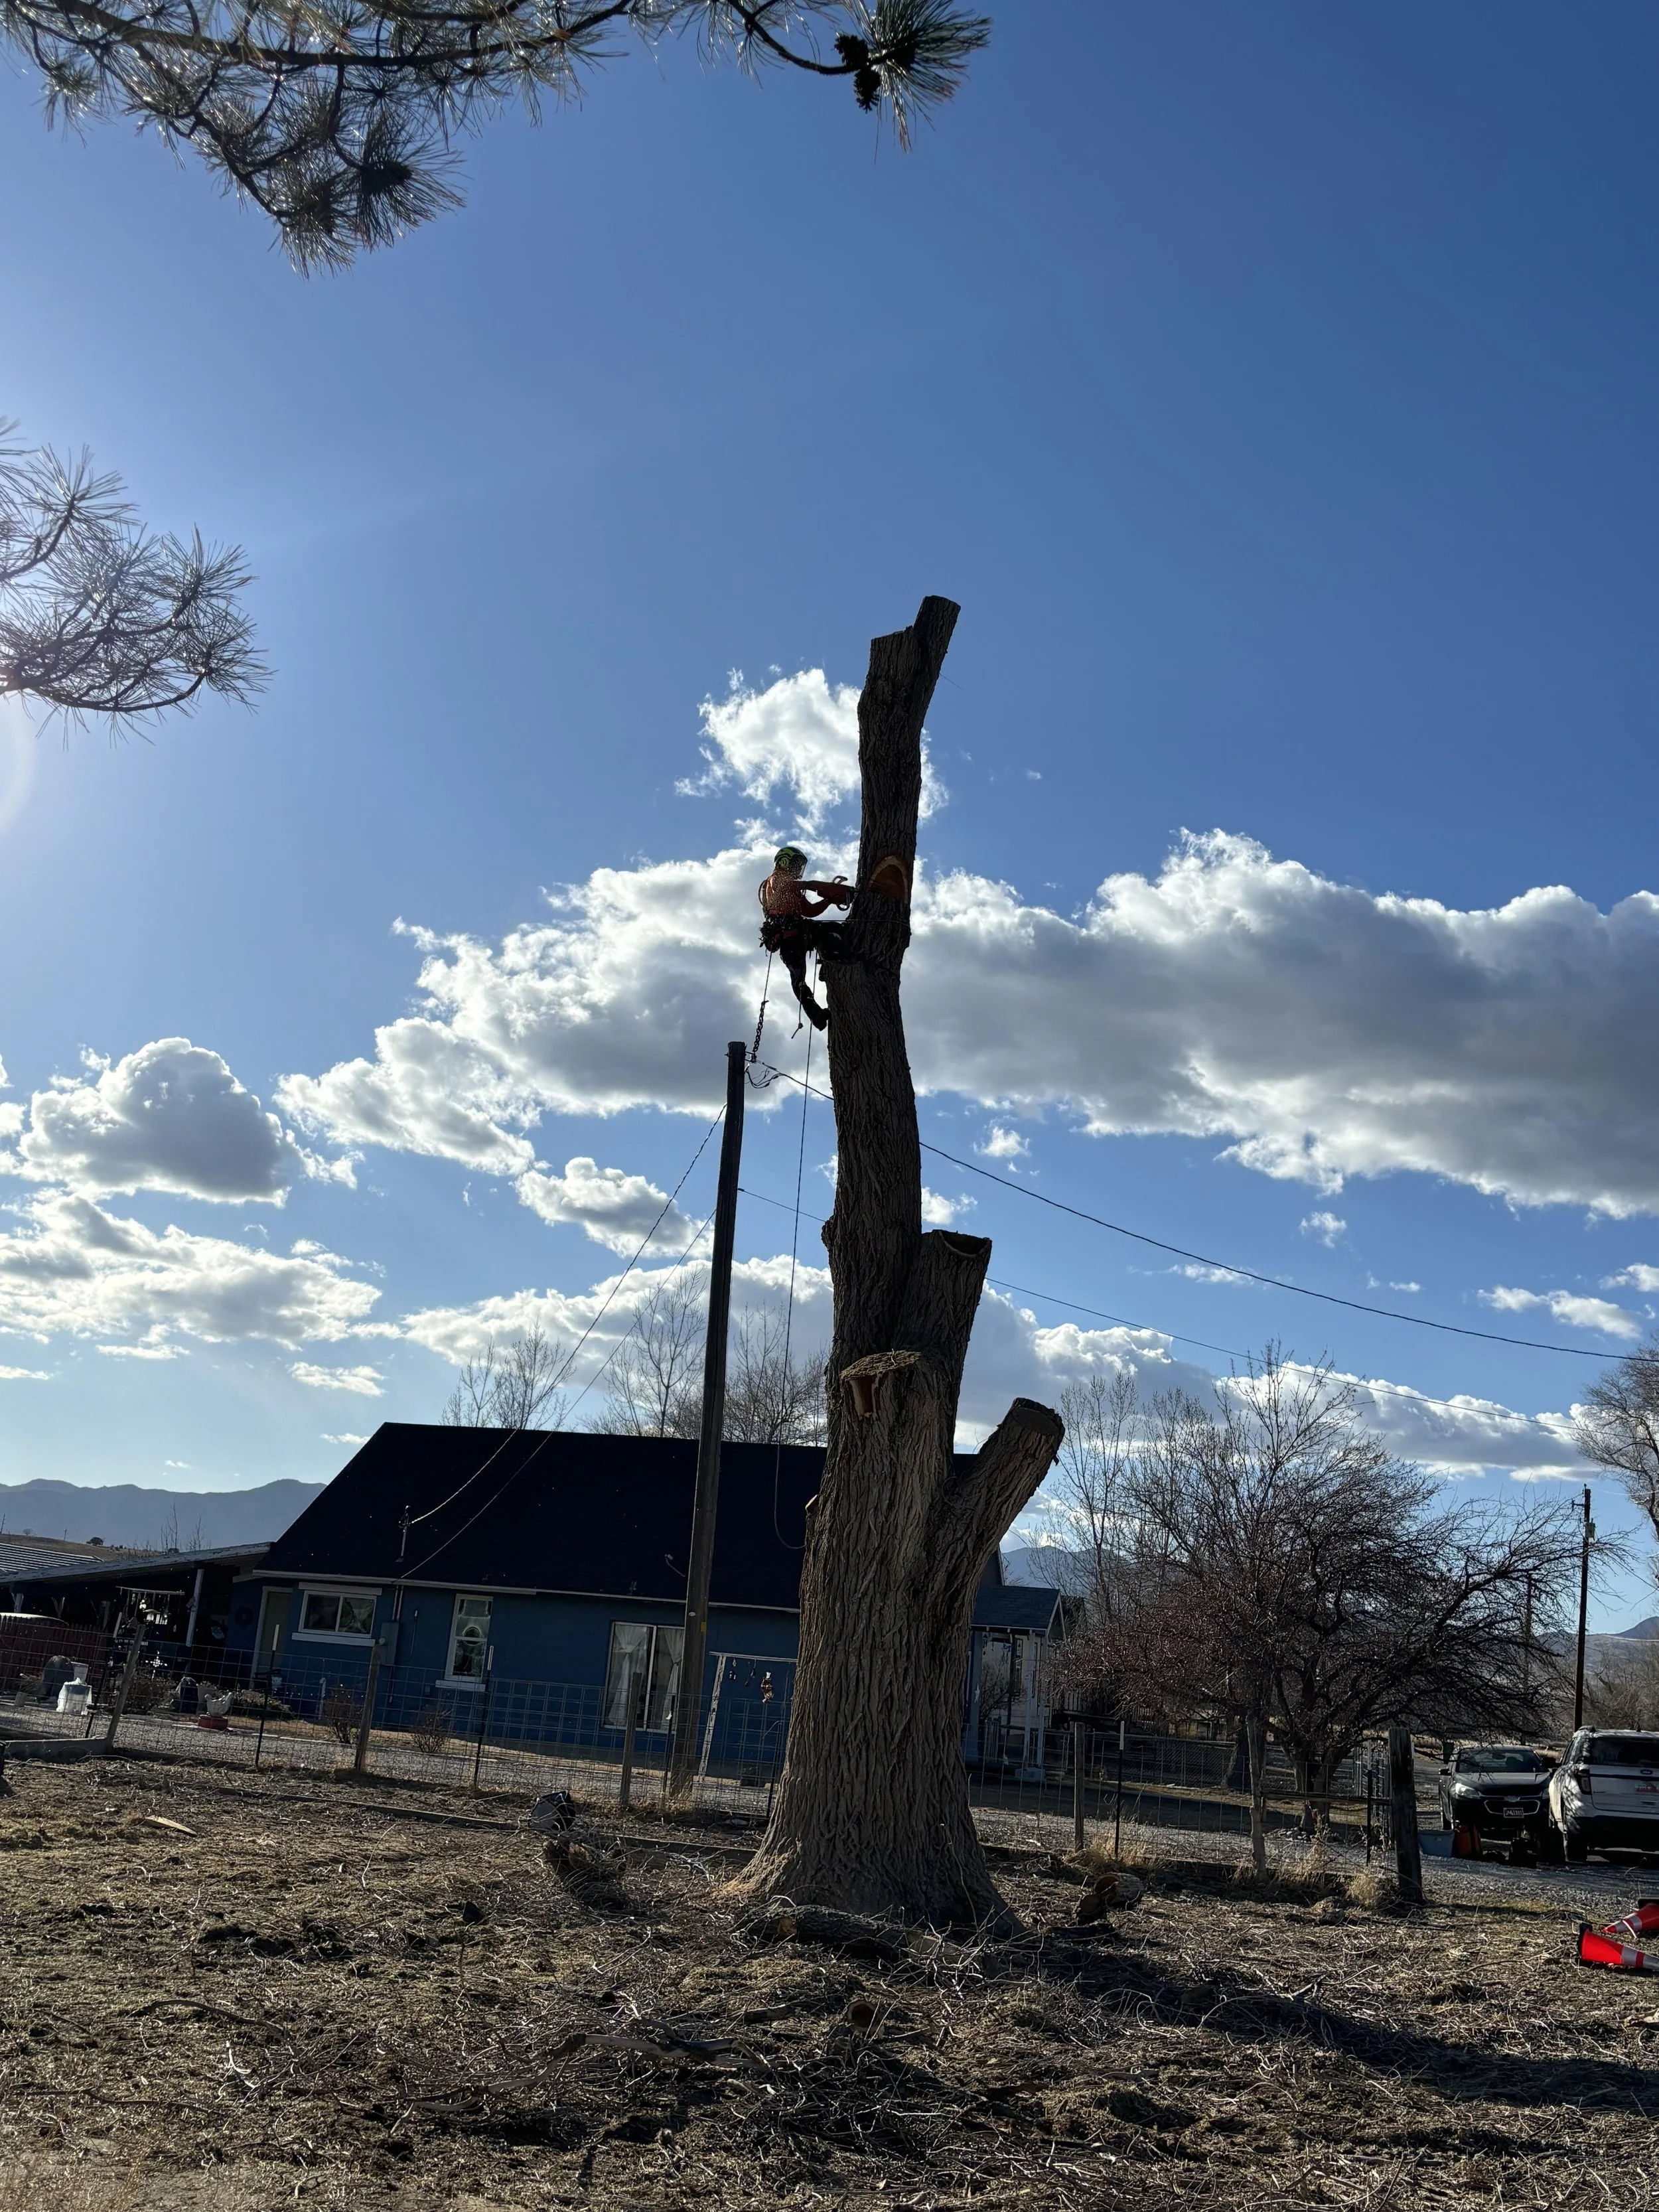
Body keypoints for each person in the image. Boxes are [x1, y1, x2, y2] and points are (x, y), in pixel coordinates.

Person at [758, 845, 851, 1031]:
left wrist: (828, 900)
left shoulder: (791, 889)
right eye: (796, 864)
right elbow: (784, 886)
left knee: (832, 929)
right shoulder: (776, 879)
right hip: (788, 936)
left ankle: (829, 963)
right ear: (785, 862)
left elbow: (809, 911)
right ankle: (816, 1015)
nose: (798, 870)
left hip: (800, 934)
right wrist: (813, 885)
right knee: (799, 980)